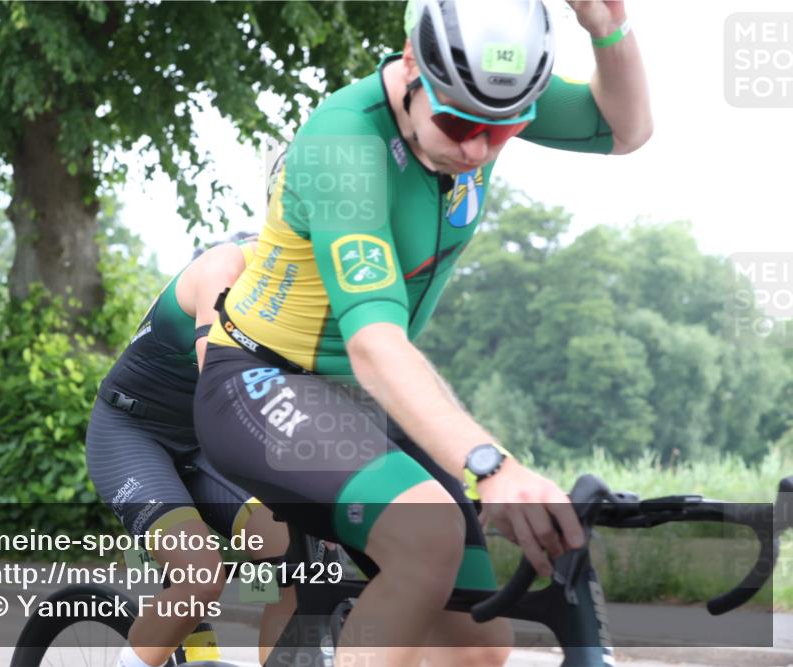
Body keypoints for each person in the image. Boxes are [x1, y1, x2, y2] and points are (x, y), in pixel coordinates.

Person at [194, 1, 652, 666]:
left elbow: (626, 128)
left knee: (477, 646)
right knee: (428, 533)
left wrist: (608, 28)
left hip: (362, 397)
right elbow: (375, 342)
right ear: (413, 64)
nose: (476, 150)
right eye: (457, 122)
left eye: (502, 132)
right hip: (263, 383)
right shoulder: (345, 142)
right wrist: (491, 466)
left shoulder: (487, 95)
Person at [86, 233, 295, 667]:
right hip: (131, 434)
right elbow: (220, 384)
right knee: (201, 576)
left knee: (297, 563)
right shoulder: (222, 267)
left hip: (201, 442)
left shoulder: (305, 299)